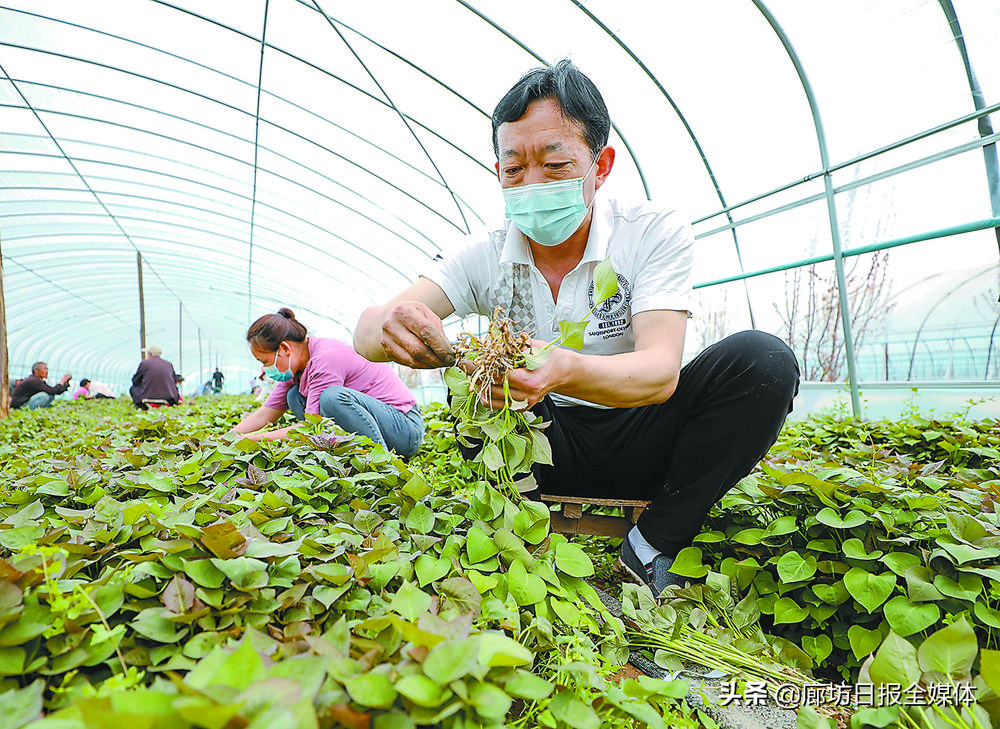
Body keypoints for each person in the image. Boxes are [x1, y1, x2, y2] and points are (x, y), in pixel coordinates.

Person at [354, 60, 800, 596]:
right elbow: (368, 333)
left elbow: (660, 372)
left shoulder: (650, 233)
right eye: (513, 169)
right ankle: (515, 531)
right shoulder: (487, 253)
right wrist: (386, 323)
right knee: (474, 383)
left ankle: (654, 543)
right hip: (543, 449)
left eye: (555, 164)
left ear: (601, 165)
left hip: (645, 436)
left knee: (763, 360)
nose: (531, 184)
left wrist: (562, 369)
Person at [230, 308, 424, 457]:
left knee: (331, 398)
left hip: (405, 430)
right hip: (382, 424)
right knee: (294, 396)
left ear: (284, 348)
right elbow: (264, 415)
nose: (265, 370)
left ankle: (380, 462)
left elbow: (310, 426)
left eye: (265, 362)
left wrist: (250, 440)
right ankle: (341, 451)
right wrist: (227, 439)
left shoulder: (325, 359)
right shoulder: (296, 368)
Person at [129, 345, 180, 409]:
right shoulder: (168, 364)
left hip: (147, 396)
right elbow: (174, 380)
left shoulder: (145, 363)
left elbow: (135, 381)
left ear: (150, 354)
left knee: (133, 389)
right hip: (168, 397)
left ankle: (142, 407)